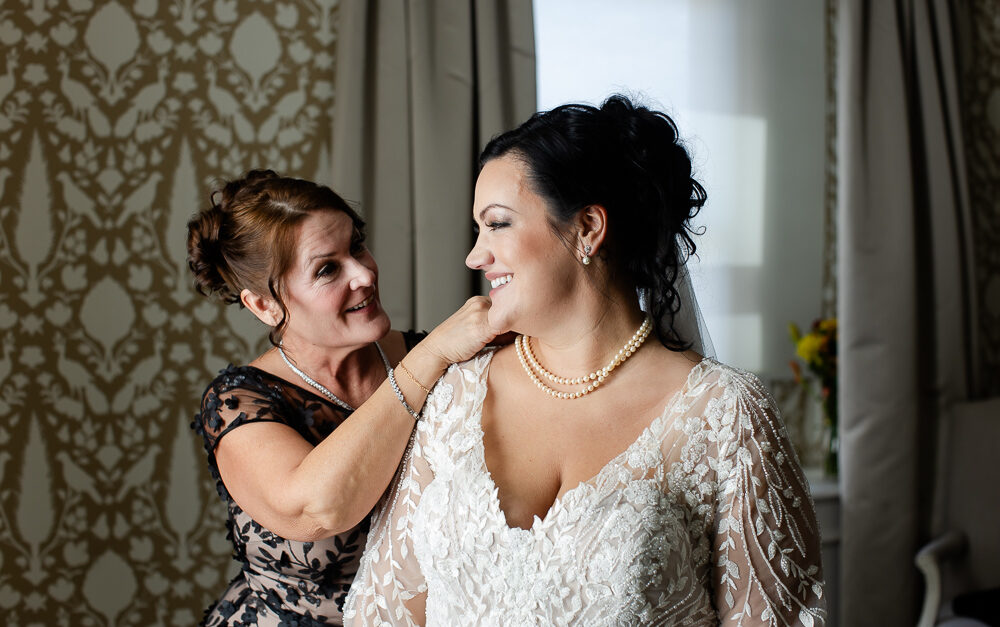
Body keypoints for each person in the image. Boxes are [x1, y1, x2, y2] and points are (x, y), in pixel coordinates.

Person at [344, 97, 827, 625]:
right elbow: (384, 611)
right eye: (478, 230)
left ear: (588, 229)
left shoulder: (724, 414)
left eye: (498, 224)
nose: (475, 256)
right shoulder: (455, 395)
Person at [187, 170, 500, 626]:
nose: (364, 273)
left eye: (356, 246)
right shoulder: (240, 401)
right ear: (263, 305)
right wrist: (430, 357)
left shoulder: (438, 362)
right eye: (327, 269)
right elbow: (318, 509)